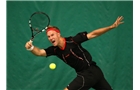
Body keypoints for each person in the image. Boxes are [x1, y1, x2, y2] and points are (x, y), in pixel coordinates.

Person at [25, 16, 124, 90]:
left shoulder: (72, 41)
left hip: (89, 73)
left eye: (52, 35)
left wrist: (111, 27)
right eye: (48, 37)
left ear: (58, 34)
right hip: (91, 73)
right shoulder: (55, 50)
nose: (50, 38)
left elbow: (93, 34)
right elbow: (39, 52)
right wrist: (31, 48)